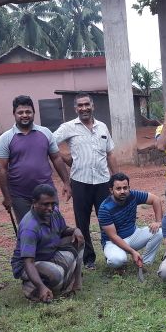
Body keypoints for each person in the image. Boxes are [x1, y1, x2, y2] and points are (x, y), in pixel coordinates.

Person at [54, 93, 118, 269]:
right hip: (80, 182)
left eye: (86, 104)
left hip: (103, 182)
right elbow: (49, 143)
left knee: (106, 219)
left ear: (92, 106)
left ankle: (112, 254)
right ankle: (89, 258)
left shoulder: (102, 127)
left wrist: (116, 178)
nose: (84, 108)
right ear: (75, 108)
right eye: (80, 105)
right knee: (83, 222)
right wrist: (65, 158)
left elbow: (110, 154)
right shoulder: (68, 127)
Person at [0, 95, 72, 224]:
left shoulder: (46, 133)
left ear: (34, 113)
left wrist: (66, 182)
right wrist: (6, 197)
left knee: (52, 226)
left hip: (47, 193)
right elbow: (1, 170)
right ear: (14, 114)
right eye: (20, 112)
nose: (25, 115)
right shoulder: (5, 139)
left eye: (28, 112)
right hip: (20, 196)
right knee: (27, 229)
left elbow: (57, 158)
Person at [10, 184, 84, 302]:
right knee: (57, 274)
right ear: (34, 203)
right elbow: (28, 262)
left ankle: (75, 281)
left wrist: (75, 230)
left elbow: (63, 230)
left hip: (49, 255)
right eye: (45, 204)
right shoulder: (30, 227)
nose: (50, 208)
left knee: (78, 239)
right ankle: (34, 286)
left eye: (52, 203)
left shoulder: (54, 212)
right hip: (28, 264)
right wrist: (41, 287)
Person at [97, 172, 165, 269]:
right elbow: (113, 237)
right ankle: (118, 258)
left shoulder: (133, 195)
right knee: (117, 260)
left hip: (133, 235)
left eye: (125, 188)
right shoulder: (105, 208)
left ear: (129, 188)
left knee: (159, 232)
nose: (122, 191)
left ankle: (145, 262)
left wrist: (158, 222)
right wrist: (132, 252)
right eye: (118, 188)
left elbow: (156, 199)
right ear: (111, 190)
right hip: (113, 242)